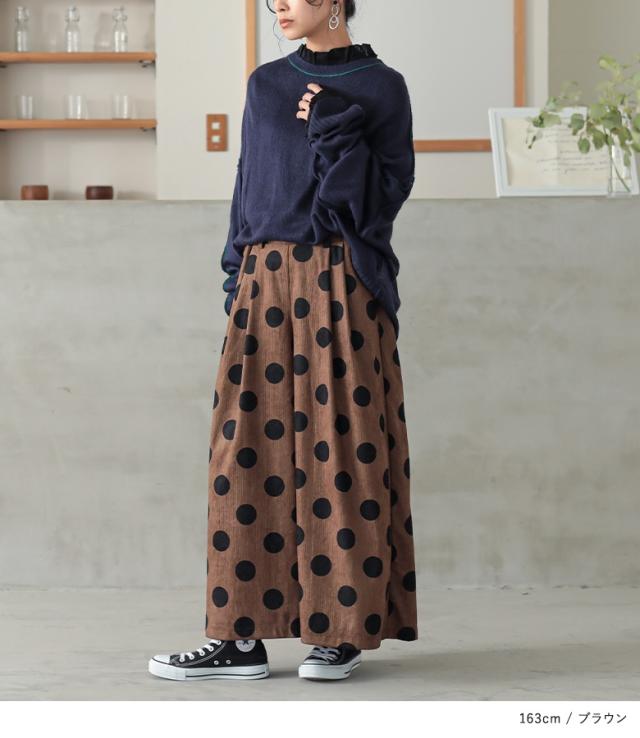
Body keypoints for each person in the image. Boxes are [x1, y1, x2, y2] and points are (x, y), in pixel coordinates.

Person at [148, 0, 417, 683]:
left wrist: (334, 127)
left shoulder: (382, 88)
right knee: (244, 455)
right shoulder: (265, 84)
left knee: (342, 455)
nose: (281, 6)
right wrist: (236, 274)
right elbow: (248, 184)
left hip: (341, 278)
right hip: (263, 279)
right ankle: (240, 639)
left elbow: (381, 202)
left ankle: (340, 632)